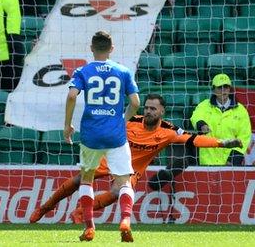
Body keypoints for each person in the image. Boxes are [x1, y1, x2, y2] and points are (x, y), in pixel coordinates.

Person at [30, 94, 243, 223]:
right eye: (147, 107)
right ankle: (44, 208)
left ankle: (80, 212)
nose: (148, 111)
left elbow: (194, 140)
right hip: (110, 159)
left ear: (162, 111)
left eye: (153, 108)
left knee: (116, 193)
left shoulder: (169, 131)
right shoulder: (131, 122)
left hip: (131, 169)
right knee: (79, 181)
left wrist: (223, 143)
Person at [63, 31, 139, 242]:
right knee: (124, 182)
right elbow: (135, 103)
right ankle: (125, 220)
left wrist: (67, 124)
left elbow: (71, 96)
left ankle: (89, 227)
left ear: (91, 48)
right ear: (111, 49)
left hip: (91, 135)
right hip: (115, 135)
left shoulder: (83, 71)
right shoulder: (123, 71)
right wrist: (122, 120)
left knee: (86, 179)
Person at [190, 73, 251, 166]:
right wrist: (201, 124)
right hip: (208, 161)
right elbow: (196, 116)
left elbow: (244, 136)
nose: (223, 90)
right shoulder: (204, 105)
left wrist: (234, 157)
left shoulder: (241, 110)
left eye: (226, 87)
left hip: (230, 163)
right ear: (213, 89)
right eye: (220, 87)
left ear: (230, 89)